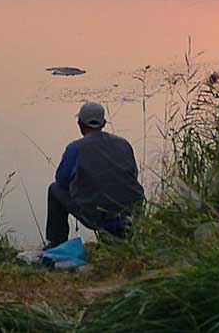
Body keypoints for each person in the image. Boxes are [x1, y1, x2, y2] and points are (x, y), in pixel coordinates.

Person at [46, 102, 145, 247]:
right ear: (103, 123)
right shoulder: (124, 144)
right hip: (131, 211)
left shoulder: (75, 149)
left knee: (54, 190)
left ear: (79, 124)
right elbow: (133, 174)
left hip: (98, 216)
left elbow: (61, 181)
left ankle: (56, 244)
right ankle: (123, 237)